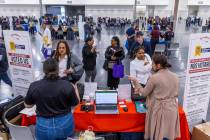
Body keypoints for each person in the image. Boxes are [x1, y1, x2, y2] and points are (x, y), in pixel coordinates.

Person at [24, 58, 80, 140]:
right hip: (65, 123)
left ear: (44, 70)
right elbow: (76, 104)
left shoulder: (34, 86)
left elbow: (27, 105)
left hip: (43, 125)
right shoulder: (67, 85)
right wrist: (75, 89)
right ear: (58, 70)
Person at [129, 54, 180, 140]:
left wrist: (135, 81)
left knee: (158, 134)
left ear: (158, 65)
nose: (151, 66)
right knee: (167, 134)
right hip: (173, 109)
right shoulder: (176, 76)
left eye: (153, 64)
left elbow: (144, 93)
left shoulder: (154, 78)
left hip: (160, 111)